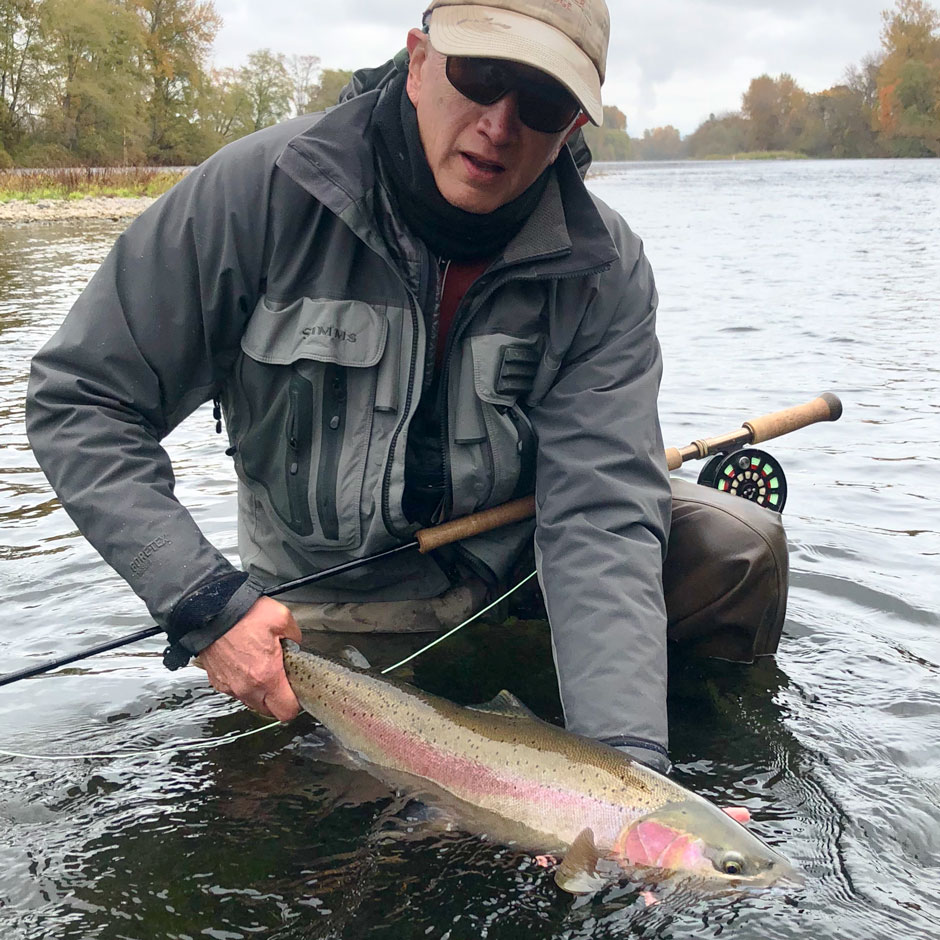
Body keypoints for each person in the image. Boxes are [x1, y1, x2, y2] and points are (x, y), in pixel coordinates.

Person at [25, 0, 788, 775]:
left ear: (576, 126)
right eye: (482, 75)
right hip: (325, 603)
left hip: (518, 572)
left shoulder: (605, 268)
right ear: (420, 64)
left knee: (738, 552)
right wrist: (201, 601)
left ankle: (685, 761)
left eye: (543, 102)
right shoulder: (257, 195)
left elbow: (600, 515)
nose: (500, 123)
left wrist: (628, 773)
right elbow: (81, 400)